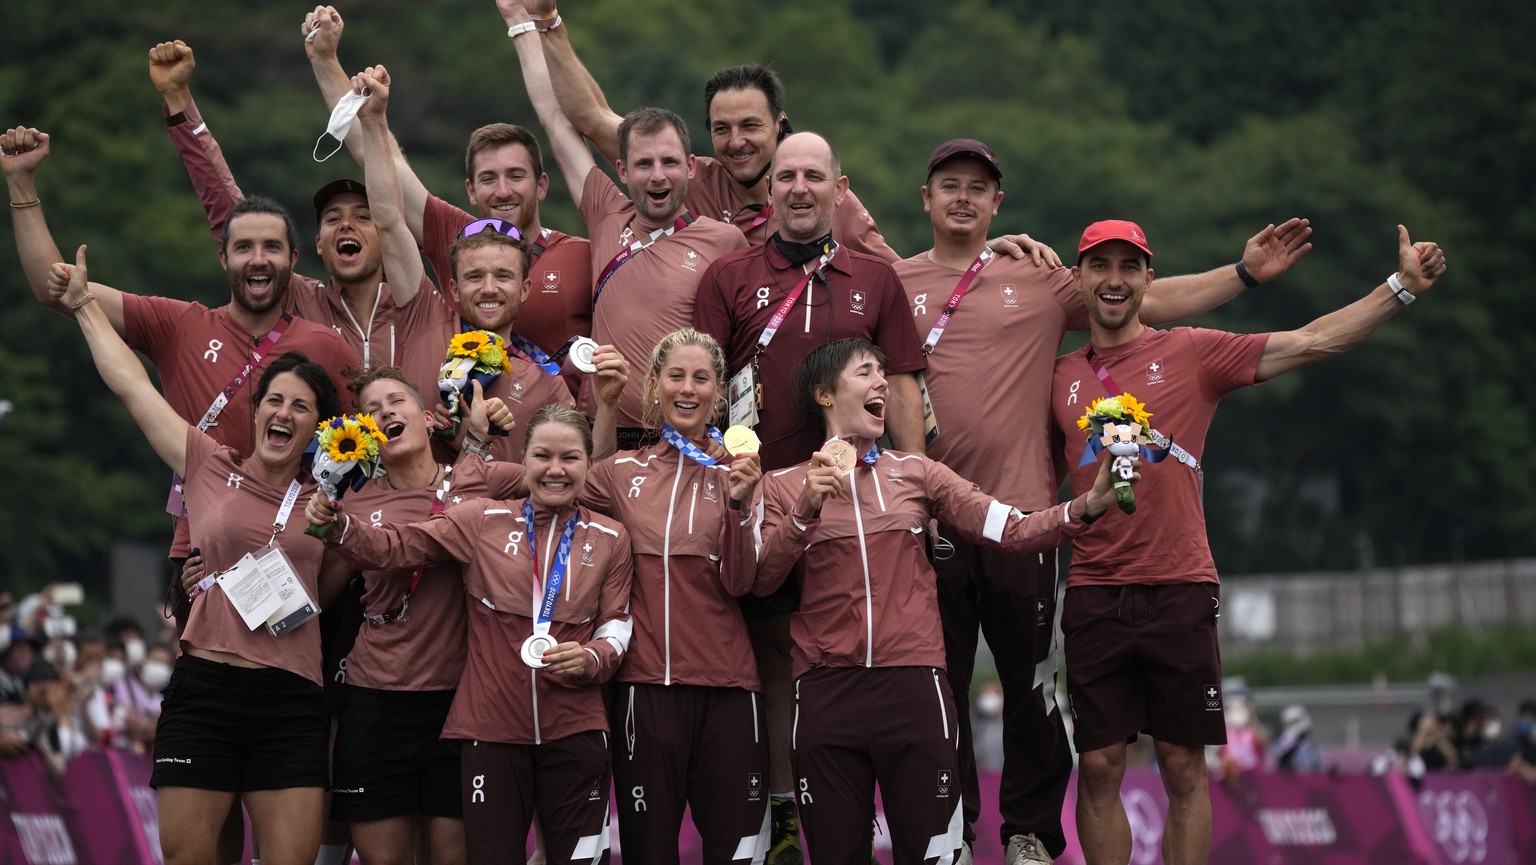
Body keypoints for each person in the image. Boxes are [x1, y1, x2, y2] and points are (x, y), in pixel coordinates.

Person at [896, 138, 1315, 865]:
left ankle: (1027, 831)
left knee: (1031, 688)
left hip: (1027, 517)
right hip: (932, 520)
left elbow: (1140, 295)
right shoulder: (894, 281)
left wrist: (1244, 273)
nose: (963, 197)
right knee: (940, 692)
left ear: (999, 203)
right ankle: (953, 836)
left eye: (979, 188)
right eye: (948, 185)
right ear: (924, 198)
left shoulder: (1035, 275)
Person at [1050, 219, 1445, 865]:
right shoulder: (1058, 374)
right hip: (1094, 588)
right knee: (1095, 765)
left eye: (1129, 266)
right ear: (1079, 278)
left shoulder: (1193, 351)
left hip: (1178, 584)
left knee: (1181, 763)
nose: (1114, 280)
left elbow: (1313, 341)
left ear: (1149, 278)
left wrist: (1399, 287)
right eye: (1100, 266)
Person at [753, 338, 1127, 865]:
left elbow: (1010, 529)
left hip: (914, 691)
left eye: (884, 372)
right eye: (866, 372)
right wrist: (805, 509)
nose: (883, 382)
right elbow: (761, 578)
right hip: (824, 693)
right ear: (824, 394)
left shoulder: (917, 473)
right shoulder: (782, 486)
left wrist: (1084, 507)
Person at [51, 238, 347, 865]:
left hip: (291, 701)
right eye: (274, 400)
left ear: (317, 428)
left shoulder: (332, 502)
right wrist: (83, 307)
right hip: (205, 692)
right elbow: (134, 387)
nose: (284, 412)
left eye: (301, 406)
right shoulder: (210, 465)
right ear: (256, 409)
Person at [4, 126, 356, 624]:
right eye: (244, 248)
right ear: (223, 258)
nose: (258, 259)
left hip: (294, 558)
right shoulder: (179, 325)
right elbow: (54, 288)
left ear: (293, 260)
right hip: (201, 551)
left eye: (272, 248)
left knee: (290, 696)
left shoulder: (327, 346)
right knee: (204, 692)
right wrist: (21, 184)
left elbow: (362, 463)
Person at [692, 130, 929, 859]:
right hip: (766, 495)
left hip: (857, 505)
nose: (799, 188)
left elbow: (904, 385)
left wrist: (914, 488)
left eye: (813, 177)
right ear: (771, 189)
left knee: (844, 651)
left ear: (838, 187)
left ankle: (859, 803)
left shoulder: (875, 279)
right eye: (787, 176)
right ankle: (780, 807)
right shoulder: (728, 275)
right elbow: (700, 389)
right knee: (766, 657)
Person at [307, 404, 634, 865]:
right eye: (542, 456)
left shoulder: (611, 536)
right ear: (523, 460)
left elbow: (617, 624)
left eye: (570, 458)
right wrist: (338, 524)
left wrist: (592, 659)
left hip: (575, 728)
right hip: (490, 732)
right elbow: (399, 544)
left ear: (588, 464)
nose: (555, 470)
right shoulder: (483, 519)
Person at [303, 6, 594, 397]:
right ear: (471, 191)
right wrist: (325, 60)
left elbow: (560, 117)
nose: (503, 190)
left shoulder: (583, 256)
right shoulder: (456, 238)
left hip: (557, 432)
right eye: (488, 179)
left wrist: (527, 27)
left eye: (516, 176)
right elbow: (377, 159)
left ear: (542, 185)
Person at [324, 366, 527, 865]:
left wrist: (605, 408)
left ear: (429, 418)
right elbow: (312, 590)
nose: (385, 412)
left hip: (458, 704)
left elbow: (570, 477)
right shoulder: (351, 501)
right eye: (370, 411)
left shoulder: (483, 480)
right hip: (374, 699)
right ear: (365, 435)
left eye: (396, 401)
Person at [581, 328, 766, 863]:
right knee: (648, 852)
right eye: (676, 376)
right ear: (655, 386)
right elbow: (572, 492)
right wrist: (606, 410)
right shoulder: (621, 473)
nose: (688, 389)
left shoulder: (745, 473)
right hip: (646, 687)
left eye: (702, 378)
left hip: (728, 688)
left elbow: (741, 582)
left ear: (720, 393)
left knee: (735, 854)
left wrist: (737, 505)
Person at [149, 38, 434, 369]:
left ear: (387, 235)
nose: (346, 225)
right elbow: (229, 213)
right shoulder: (298, 300)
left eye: (362, 216)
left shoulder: (420, 303)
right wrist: (178, 99)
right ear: (316, 245)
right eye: (332, 219)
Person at [538, 95, 749, 441]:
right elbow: (553, 116)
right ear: (622, 170)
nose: (657, 176)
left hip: (683, 437)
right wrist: (530, 37)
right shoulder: (606, 213)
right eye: (643, 164)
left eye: (670, 162)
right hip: (603, 432)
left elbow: (741, 343)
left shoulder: (726, 240)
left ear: (691, 167)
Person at [1274, 704, 1326, 772]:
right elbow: (1279, 754)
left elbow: (1320, 765)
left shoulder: (1309, 745)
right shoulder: (1284, 741)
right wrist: (1292, 736)